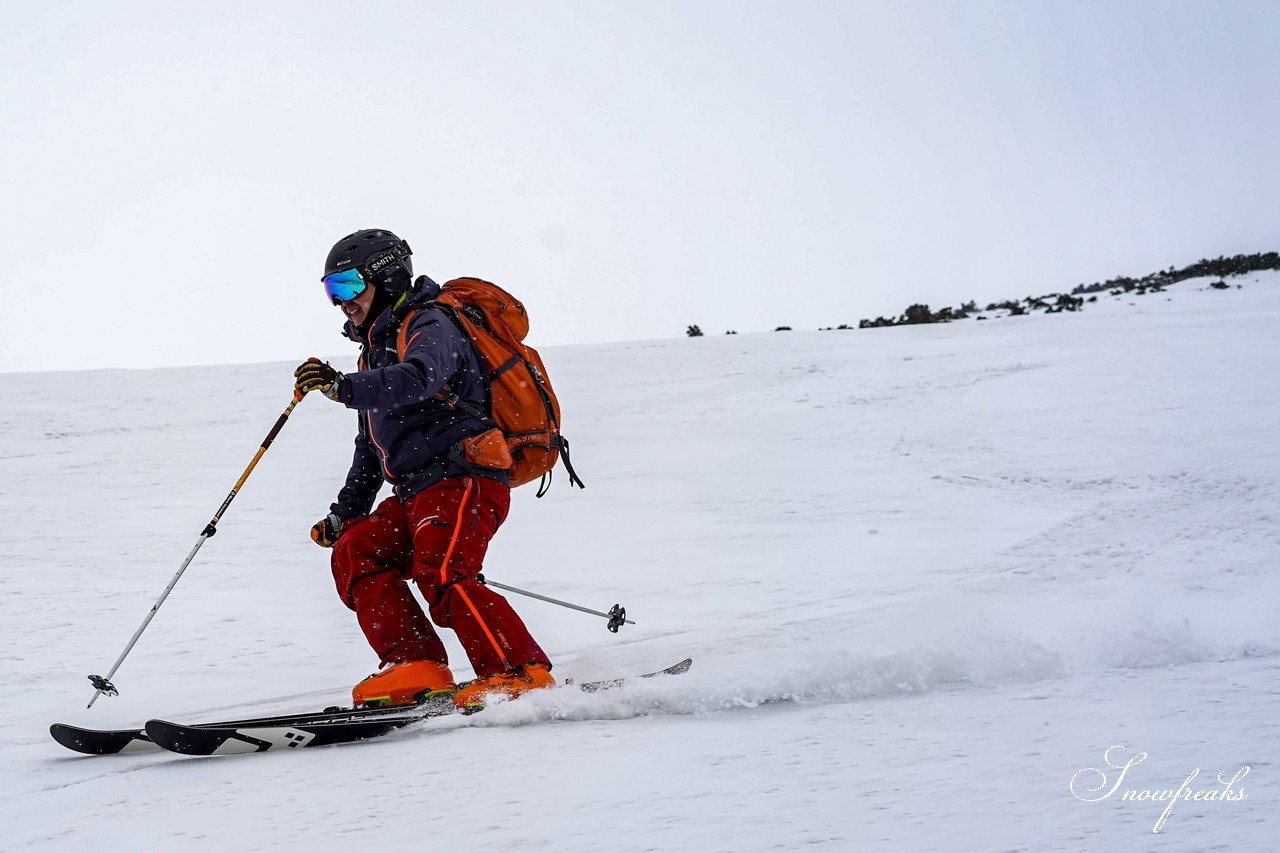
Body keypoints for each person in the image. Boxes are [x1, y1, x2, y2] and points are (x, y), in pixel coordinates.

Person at [293, 228, 554, 711]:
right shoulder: (374, 349)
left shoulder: (429, 322)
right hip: (416, 490)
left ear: (388, 277)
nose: (340, 302)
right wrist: (345, 513)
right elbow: (370, 446)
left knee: (445, 572)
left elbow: (421, 377)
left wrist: (344, 387)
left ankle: (519, 671)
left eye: (348, 286)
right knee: (358, 550)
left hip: (464, 477)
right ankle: (415, 665)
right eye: (331, 291)